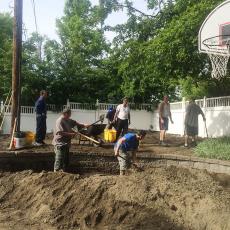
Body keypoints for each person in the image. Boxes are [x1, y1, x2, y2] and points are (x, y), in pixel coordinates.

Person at [52, 108, 89, 172]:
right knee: (59, 158)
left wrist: (84, 125)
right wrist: (71, 134)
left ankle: (65, 172)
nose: (70, 115)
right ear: (65, 114)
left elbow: (75, 123)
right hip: (59, 143)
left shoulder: (68, 119)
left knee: (66, 160)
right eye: (69, 114)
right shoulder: (60, 121)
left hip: (66, 143)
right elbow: (60, 132)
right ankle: (56, 171)